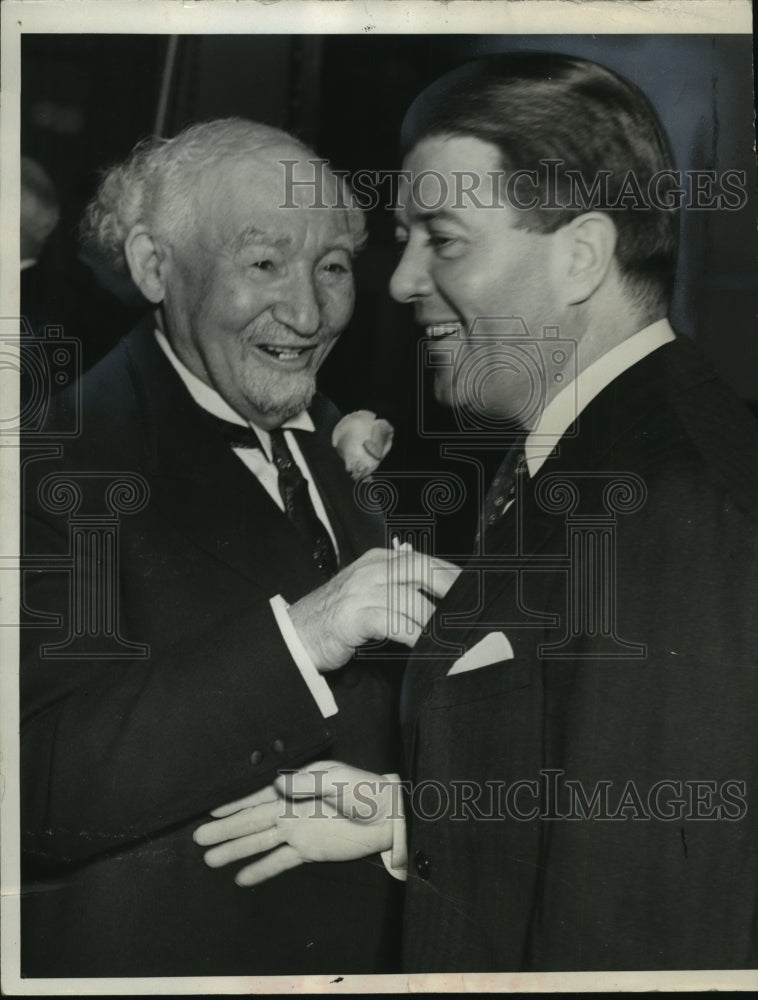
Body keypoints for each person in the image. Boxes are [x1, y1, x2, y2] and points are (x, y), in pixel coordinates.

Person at [195, 56, 758, 972]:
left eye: (443, 240)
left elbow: (652, 925)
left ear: (579, 254)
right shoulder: (609, 457)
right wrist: (423, 816)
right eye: (405, 237)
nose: (401, 280)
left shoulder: (677, 507)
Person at [19, 118, 457, 977]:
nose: (307, 312)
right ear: (153, 266)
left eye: (332, 268)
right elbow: (30, 787)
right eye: (263, 264)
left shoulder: (341, 440)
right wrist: (300, 638)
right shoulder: (47, 464)